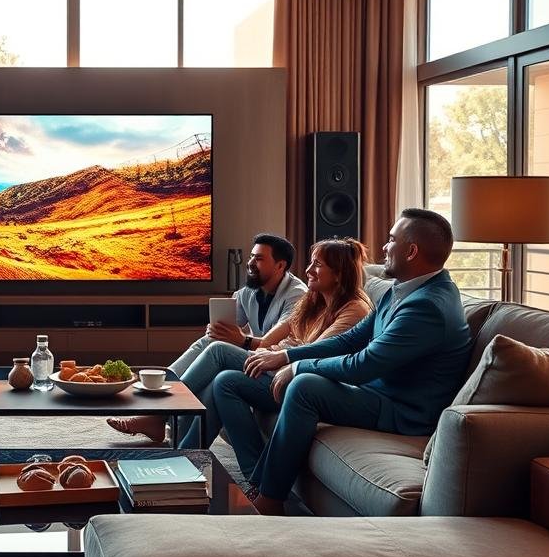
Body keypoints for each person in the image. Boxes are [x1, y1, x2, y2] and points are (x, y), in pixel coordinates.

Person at [241, 209, 471, 515]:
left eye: (392, 240)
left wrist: (297, 367)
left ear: (412, 251)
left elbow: (363, 365)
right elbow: (350, 340)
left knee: (305, 386)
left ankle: (269, 500)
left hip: (404, 412)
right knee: (290, 381)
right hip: (380, 393)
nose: (385, 247)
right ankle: (261, 487)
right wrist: (286, 356)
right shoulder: (402, 289)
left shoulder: (427, 307)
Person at [107, 233, 307, 442]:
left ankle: (158, 411)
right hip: (258, 359)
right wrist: (218, 330)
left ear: (280, 266)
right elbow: (231, 327)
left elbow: (270, 343)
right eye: (251, 257)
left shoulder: (297, 295)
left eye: (258, 259)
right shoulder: (250, 291)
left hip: (278, 367)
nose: (250, 263)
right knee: (210, 343)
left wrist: (241, 340)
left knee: (216, 350)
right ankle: (165, 411)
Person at [208, 238, 372, 473]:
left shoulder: (354, 309)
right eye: (310, 263)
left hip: (309, 383)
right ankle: (252, 472)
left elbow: (316, 352)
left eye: (317, 265)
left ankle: (172, 428)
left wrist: (273, 355)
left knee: (218, 352)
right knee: (223, 380)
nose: (308, 270)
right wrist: (269, 352)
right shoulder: (314, 299)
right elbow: (281, 340)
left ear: (339, 274)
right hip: (282, 369)